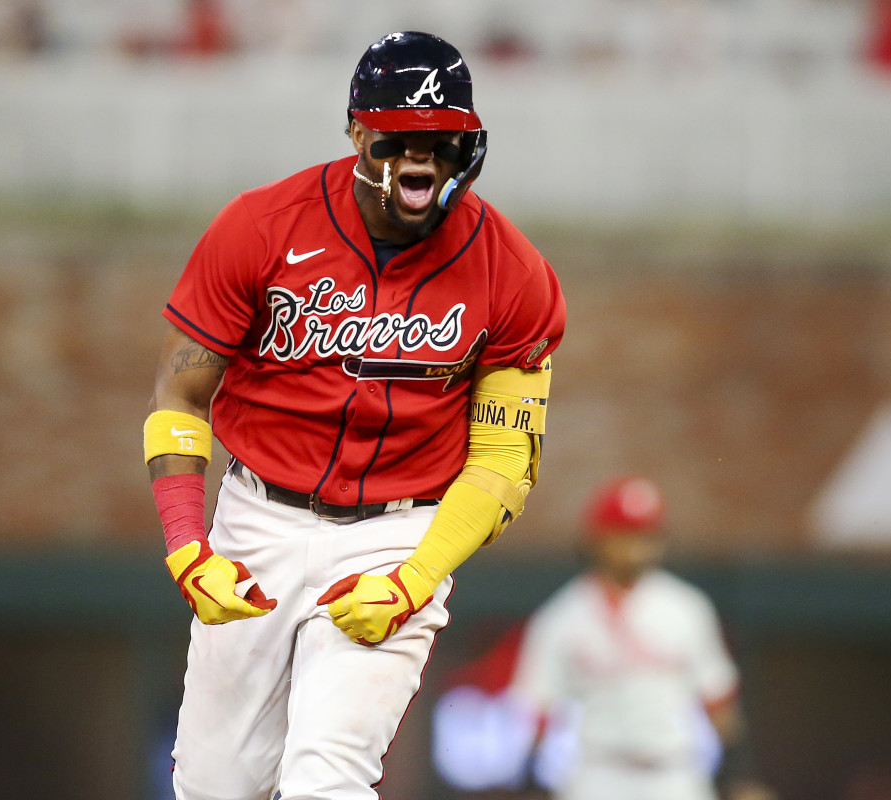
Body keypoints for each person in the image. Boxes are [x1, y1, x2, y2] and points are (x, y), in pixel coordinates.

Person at [143, 31, 566, 800]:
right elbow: (179, 396)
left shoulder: (512, 270)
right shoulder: (261, 227)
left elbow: (504, 463)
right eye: (399, 137)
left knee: (324, 779)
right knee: (213, 786)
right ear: (356, 131)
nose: (420, 158)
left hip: (398, 531)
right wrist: (185, 544)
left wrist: (413, 580)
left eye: (441, 141)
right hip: (259, 515)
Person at [509, 476, 776, 800]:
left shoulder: (685, 608)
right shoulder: (562, 616)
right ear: (597, 538)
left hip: (674, 773)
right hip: (598, 774)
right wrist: (527, 780)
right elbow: (540, 706)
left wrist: (741, 776)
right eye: (625, 533)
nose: (637, 545)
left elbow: (718, 699)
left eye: (646, 534)